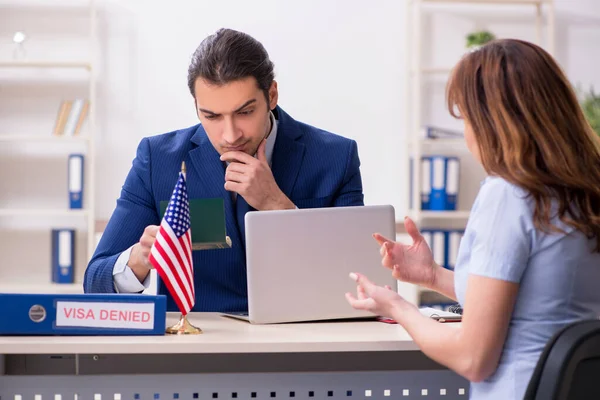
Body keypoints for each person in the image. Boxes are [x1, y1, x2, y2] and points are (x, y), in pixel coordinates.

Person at [346, 38, 600, 399]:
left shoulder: (509, 195)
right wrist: (432, 275)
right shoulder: (584, 193)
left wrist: (398, 308)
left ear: (492, 122)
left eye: (465, 118)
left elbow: (472, 357)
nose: (466, 135)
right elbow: (536, 298)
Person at [84, 28, 364, 312]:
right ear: (196, 107)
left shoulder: (335, 157)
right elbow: (95, 283)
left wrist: (277, 207)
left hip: (306, 343)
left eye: (244, 112)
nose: (230, 135)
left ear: (272, 95)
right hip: (198, 347)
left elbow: (361, 283)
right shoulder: (158, 160)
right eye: (212, 116)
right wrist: (141, 258)